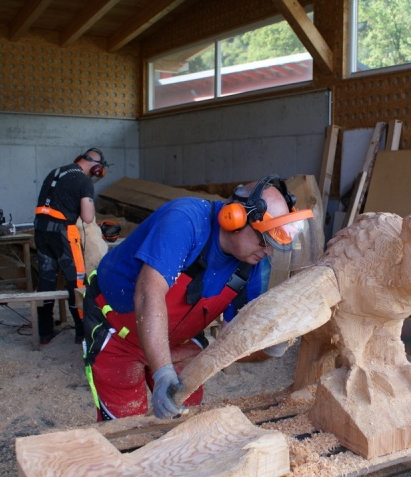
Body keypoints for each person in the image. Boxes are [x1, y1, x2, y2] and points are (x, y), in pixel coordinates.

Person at [81, 174, 315, 421]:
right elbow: (148, 293)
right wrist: (162, 372)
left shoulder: (249, 264)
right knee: (126, 426)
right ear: (234, 217)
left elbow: (234, 341)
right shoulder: (185, 220)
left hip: (181, 341)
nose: (267, 251)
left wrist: (270, 347)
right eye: (263, 239)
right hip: (119, 334)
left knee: (187, 420)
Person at [34, 148, 109, 345]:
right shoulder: (83, 181)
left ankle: (44, 332)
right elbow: (87, 217)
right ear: (97, 168)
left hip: (41, 230)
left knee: (46, 279)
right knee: (76, 281)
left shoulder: (56, 172)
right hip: (62, 233)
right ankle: (82, 333)